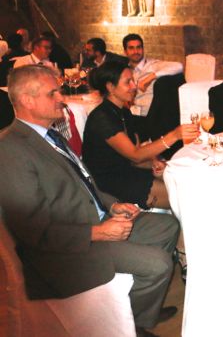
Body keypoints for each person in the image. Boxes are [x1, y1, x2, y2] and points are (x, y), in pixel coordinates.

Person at [0, 65, 180, 336]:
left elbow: (85, 183)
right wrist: (98, 232)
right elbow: (32, 231)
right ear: (27, 100)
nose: (62, 98)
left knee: (167, 227)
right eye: (53, 93)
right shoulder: (10, 149)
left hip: (96, 218)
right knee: (158, 265)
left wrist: (112, 205)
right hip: (67, 247)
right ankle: (129, 325)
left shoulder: (49, 134)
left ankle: (137, 312)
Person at [82, 61, 198, 210]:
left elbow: (135, 155)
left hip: (127, 171)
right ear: (110, 87)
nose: (134, 86)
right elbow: (135, 155)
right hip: (109, 183)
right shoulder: (102, 118)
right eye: (127, 82)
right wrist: (174, 136)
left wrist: (153, 162)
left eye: (133, 80)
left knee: (185, 183)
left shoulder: (123, 111)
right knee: (186, 198)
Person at [122, 33, 183, 137]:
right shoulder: (125, 70)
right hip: (131, 114)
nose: (136, 51)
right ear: (125, 52)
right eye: (131, 48)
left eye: (139, 47)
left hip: (151, 118)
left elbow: (179, 66)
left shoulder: (153, 65)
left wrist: (151, 77)